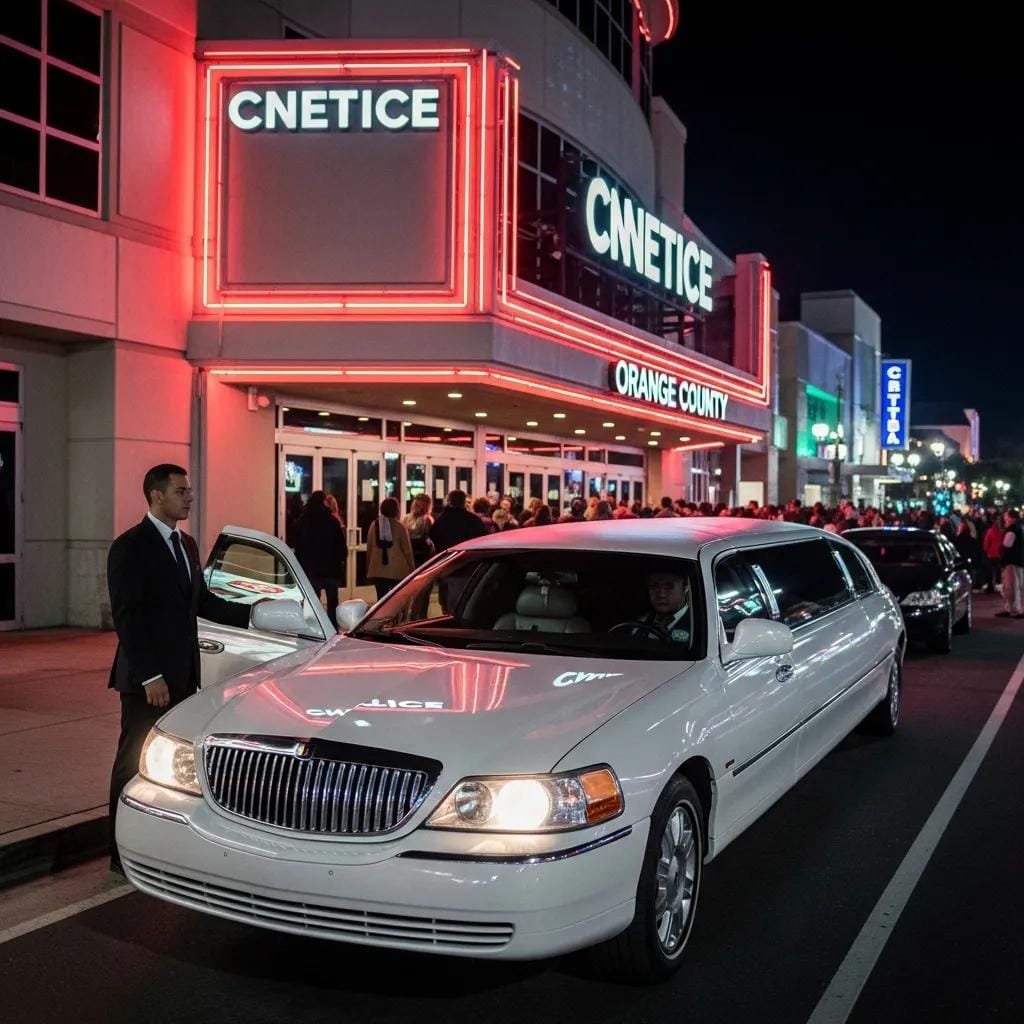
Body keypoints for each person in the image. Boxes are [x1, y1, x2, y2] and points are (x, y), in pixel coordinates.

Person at [107, 464, 253, 874]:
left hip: (185, 675)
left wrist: (257, 613)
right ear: (156, 496)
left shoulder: (186, 545)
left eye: (189, 490)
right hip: (148, 680)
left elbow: (200, 603)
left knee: (170, 763)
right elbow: (128, 618)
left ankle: (162, 844)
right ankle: (119, 852)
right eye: (181, 491)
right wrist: (150, 675)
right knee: (132, 760)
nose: (189, 496)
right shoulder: (130, 547)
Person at [293, 490, 348, 626]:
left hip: (310, 569)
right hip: (330, 569)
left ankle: (311, 626)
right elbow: (341, 546)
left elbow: (298, 545)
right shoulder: (332, 521)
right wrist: (341, 559)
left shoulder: (303, 521)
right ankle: (332, 627)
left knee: (312, 601)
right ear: (323, 502)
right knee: (332, 602)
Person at [366, 497, 415, 601]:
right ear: (396, 510)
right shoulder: (400, 527)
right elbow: (407, 551)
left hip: (377, 570)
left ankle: (383, 617)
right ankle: (394, 618)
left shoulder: (374, 525)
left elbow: (369, 548)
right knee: (396, 601)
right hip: (397, 571)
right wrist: (412, 568)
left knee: (382, 601)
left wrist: (369, 567)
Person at [636, 570, 692, 643]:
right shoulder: (640, 623)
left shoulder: (700, 625)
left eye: (668, 587)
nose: (661, 595)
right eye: (654, 586)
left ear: (685, 587)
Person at [997, 509, 1024, 618]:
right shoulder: (1019, 528)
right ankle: (1010, 608)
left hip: (1011, 562)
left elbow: (1006, 547)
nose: (1005, 519)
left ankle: (1014, 609)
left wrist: (1001, 553)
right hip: (1017, 561)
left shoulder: (1012, 530)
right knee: (1014, 586)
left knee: (1012, 587)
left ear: (1012, 518)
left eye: (1006, 516)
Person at [403, 494, 435, 567]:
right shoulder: (406, 518)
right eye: (415, 505)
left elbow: (419, 534)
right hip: (409, 551)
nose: (415, 507)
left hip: (421, 554)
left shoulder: (427, 520)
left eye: (418, 505)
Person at [983, 515, 1004, 594]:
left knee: (990, 571)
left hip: (991, 553)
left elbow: (986, 542)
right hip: (999, 554)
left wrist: (985, 550)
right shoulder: (1003, 531)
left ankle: (991, 586)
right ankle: (998, 585)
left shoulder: (991, 531)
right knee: (998, 571)